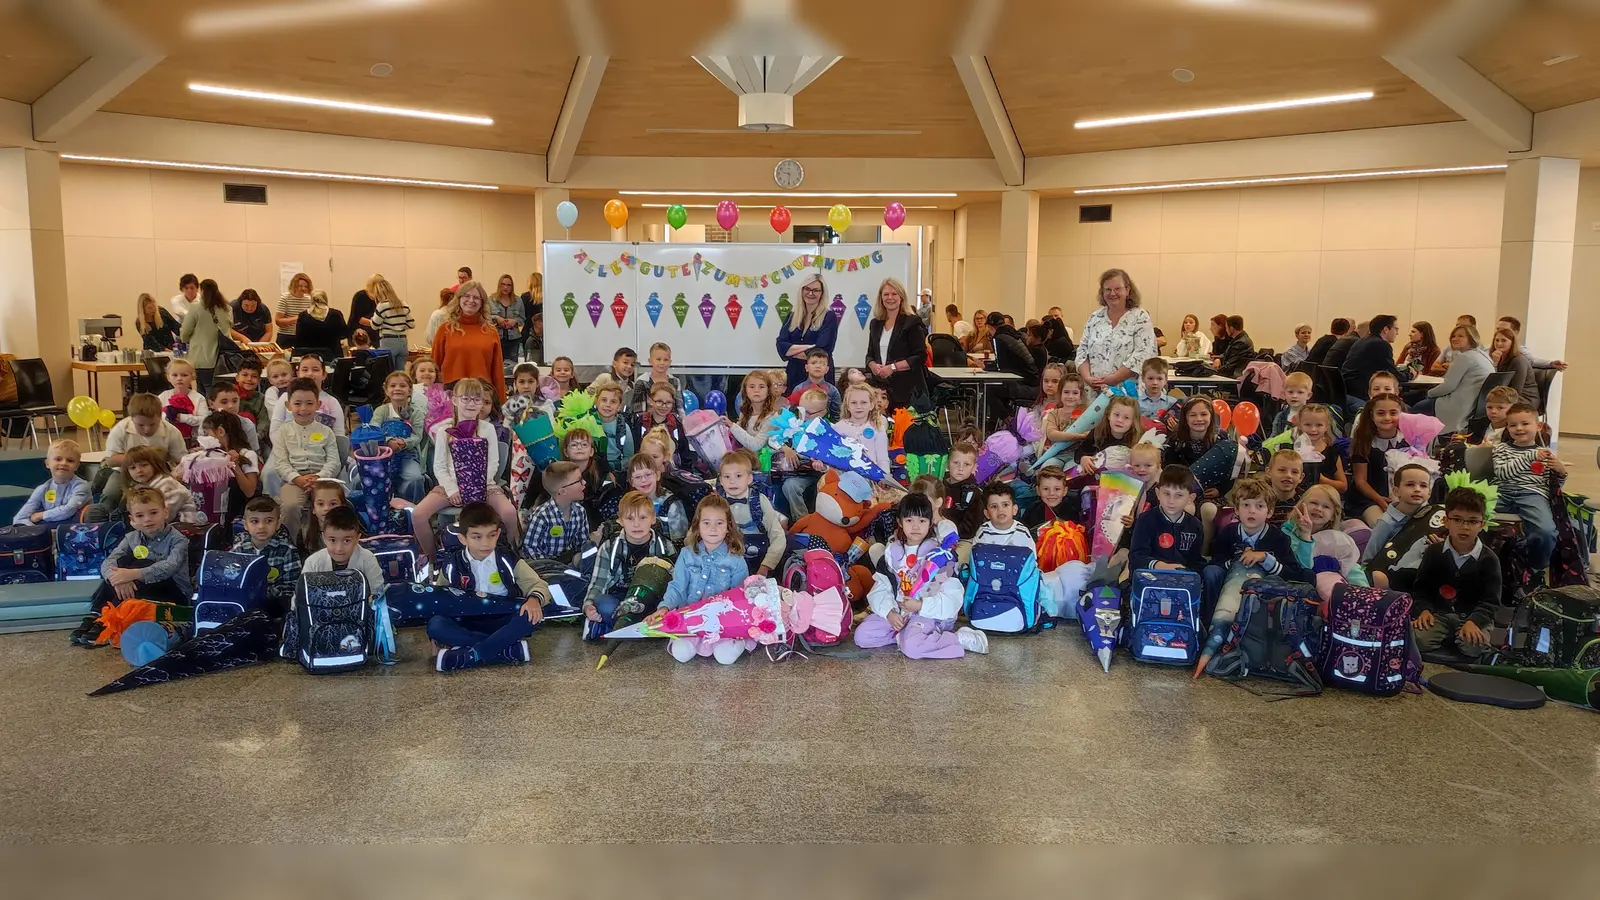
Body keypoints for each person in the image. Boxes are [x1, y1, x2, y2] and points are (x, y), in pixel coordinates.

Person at [857, 492, 989, 658]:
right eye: (909, 520)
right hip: (900, 612)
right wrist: (889, 613)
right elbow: (881, 587)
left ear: (931, 522)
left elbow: (953, 596)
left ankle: (958, 639)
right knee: (863, 636)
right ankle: (909, 635)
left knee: (913, 648)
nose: (915, 527)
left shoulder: (940, 556)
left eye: (922, 521)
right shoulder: (893, 553)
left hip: (929, 614)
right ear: (900, 522)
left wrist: (921, 606)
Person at [429, 502, 553, 672]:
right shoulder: (452, 563)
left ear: (498, 534)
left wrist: (534, 600)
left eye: (491, 535)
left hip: (502, 620)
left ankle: (471, 654)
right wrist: (435, 638)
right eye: (477, 537)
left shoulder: (507, 558)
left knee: (529, 617)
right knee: (436, 625)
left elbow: (538, 584)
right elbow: (440, 597)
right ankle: (505, 649)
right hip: (466, 621)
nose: (485, 543)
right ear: (463, 538)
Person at [70, 487, 192, 647]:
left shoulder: (178, 540)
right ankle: (98, 614)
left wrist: (133, 574)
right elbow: (108, 561)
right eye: (140, 515)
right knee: (120, 564)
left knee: (138, 564)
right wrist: (118, 579)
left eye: (153, 513)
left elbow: (169, 567)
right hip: (141, 589)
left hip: (174, 594)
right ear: (132, 520)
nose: (147, 519)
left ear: (165, 512)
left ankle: (110, 621)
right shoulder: (131, 538)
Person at [1389, 487, 1501, 659]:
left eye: (1472, 521)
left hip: (1471, 615)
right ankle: (1446, 635)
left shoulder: (1489, 559)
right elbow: (1422, 589)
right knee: (1416, 639)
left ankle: (1459, 634)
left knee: (1474, 647)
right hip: (1439, 613)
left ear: (1482, 525)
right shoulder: (1433, 552)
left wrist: (1474, 621)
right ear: (1446, 521)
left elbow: (1491, 601)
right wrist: (1424, 610)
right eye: (1457, 519)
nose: (1465, 527)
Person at [1201, 477, 1306, 657]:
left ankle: (1257, 633)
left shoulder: (1278, 538)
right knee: (1210, 572)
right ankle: (1207, 622)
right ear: (1236, 510)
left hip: (1261, 591)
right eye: (1246, 505)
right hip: (1230, 585)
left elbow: (1293, 572)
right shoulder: (1228, 533)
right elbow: (1217, 560)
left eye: (1259, 506)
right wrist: (1238, 561)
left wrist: (1265, 558)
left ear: (1269, 512)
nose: (1252, 511)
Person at [648, 494, 752, 665]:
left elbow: (739, 598)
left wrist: (737, 627)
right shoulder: (686, 555)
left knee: (725, 658)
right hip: (690, 620)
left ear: (728, 527)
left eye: (719, 523)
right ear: (697, 526)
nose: (713, 528)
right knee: (681, 654)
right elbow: (677, 587)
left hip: (722, 623)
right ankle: (697, 641)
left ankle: (740, 641)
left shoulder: (736, 560)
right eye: (706, 523)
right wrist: (665, 607)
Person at [582, 489, 676, 640]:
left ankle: (612, 628)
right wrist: (588, 606)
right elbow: (598, 583)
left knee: (665, 612)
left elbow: (674, 584)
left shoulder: (665, 546)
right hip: (620, 598)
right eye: (630, 518)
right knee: (603, 603)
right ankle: (637, 629)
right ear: (620, 521)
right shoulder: (609, 547)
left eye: (643, 517)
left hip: (650, 598)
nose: (636, 524)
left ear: (653, 519)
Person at [1493, 402, 1566, 575]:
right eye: (1513, 425)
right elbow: (1502, 473)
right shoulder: (1501, 448)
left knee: (1546, 532)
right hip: (1502, 492)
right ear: (1507, 428)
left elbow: (1552, 487)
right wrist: (1530, 456)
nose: (1519, 428)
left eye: (1525, 423)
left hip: (1533, 495)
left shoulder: (1545, 453)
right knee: (1471, 514)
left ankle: (1534, 568)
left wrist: (1561, 472)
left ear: (1538, 426)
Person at [271, 377, 343, 537]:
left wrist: (319, 477)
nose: (303, 409)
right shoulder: (282, 432)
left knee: (330, 504)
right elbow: (281, 463)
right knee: (290, 506)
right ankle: (290, 543)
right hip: (294, 481)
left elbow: (334, 461)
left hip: (323, 480)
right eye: (297, 403)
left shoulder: (326, 431)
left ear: (318, 404)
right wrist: (297, 478)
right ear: (288, 405)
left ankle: (329, 540)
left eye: (309, 403)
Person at [1076, 268, 1157, 391]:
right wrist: (1087, 378)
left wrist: (1114, 379)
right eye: (1108, 289)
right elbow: (1082, 351)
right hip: (1094, 391)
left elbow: (1143, 354)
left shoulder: (1140, 317)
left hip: (1127, 392)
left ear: (1127, 290)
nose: (1112, 293)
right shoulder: (1094, 318)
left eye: (1117, 289)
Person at [431, 280, 506, 400]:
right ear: (459, 299)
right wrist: (433, 397)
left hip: (480, 395)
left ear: (482, 303)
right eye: (466, 296)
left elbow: (497, 371)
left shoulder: (491, 331)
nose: (471, 300)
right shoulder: (445, 329)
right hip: (451, 394)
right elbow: (434, 365)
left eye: (476, 297)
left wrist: (501, 402)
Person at [717, 449, 785, 577]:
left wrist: (766, 565)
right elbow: (697, 533)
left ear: (749, 478)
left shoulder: (760, 501)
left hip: (760, 561)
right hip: (726, 564)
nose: (732, 481)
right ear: (720, 480)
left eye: (738, 476)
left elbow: (778, 536)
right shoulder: (716, 504)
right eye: (727, 477)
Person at [230, 495, 301, 615]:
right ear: (245, 525)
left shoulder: (287, 550)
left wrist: (262, 593)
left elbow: (292, 586)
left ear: (278, 523)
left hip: (274, 607)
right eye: (254, 521)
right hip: (243, 604)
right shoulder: (238, 549)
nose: (261, 526)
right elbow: (231, 578)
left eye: (268, 521)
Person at [865, 277, 928, 410]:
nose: (890, 298)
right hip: (880, 391)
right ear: (881, 298)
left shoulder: (912, 322)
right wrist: (873, 365)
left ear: (901, 297)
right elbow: (869, 355)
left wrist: (893, 367)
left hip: (906, 390)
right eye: (886, 294)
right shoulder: (875, 324)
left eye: (894, 294)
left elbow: (920, 356)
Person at [1360, 462, 1436, 570]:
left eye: (1423, 485)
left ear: (1429, 493)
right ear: (1396, 491)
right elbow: (1368, 560)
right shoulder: (1386, 523)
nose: (1417, 489)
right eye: (1410, 484)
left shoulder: (1431, 516)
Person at [1415, 323, 1491, 431]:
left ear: (1471, 338)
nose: (1455, 339)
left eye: (1461, 336)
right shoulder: (1483, 356)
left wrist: (1428, 393)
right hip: (1473, 406)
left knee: (1416, 408)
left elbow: (1448, 386)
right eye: (1453, 336)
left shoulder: (1465, 357)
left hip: (1457, 406)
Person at [366, 370, 427, 503]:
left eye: (402, 386)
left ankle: (413, 509)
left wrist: (403, 443)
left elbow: (417, 436)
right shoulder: (382, 410)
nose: (397, 388)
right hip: (382, 454)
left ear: (410, 391)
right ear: (386, 390)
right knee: (362, 479)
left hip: (407, 454)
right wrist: (388, 441)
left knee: (415, 478)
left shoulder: (416, 413)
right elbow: (374, 430)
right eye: (393, 386)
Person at [300, 506, 385, 601]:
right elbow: (301, 599)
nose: (339, 549)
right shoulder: (313, 562)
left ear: (357, 538)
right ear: (324, 538)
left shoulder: (367, 559)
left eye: (346, 541)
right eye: (332, 540)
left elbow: (378, 595)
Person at [1128, 465, 1204, 572]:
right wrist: (1159, 566)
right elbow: (1136, 558)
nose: (1171, 501)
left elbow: (1196, 562)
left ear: (1190, 499)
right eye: (1166, 494)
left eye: (1179, 495)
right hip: (1150, 576)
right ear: (1158, 494)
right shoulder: (1145, 520)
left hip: (1182, 578)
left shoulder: (1195, 525)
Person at [1346, 394, 1404, 525]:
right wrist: (1379, 499)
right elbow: (1361, 481)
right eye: (1381, 413)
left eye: (1393, 413)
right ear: (1372, 415)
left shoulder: (1410, 440)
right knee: (1382, 524)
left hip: (1403, 497)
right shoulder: (1364, 442)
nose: (1387, 418)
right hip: (1371, 498)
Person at [775, 272, 840, 389]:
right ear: (802, 290)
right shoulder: (792, 316)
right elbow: (781, 346)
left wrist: (792, 352)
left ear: (822, 293)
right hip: (794, 374)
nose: (810, 293)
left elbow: (823, 350)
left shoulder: (829, 317)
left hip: (819, 378)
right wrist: (810, 347)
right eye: (807, 289)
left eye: (816, 290)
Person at [522, 461, 589, 564]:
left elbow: (582, 544)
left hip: (567, 562)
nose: (584, 482)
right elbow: (530, 547)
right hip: (544, 565)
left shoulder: (580, 512)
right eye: (579, 480)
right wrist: (549, 566)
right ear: (562, 491)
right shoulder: (542, 516)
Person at [13, 439, 89, 525]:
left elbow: (68, 510)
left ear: (77, 466)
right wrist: (33, 529)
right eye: (58, 459)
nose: (64, 463)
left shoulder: (81, 486)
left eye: (70, 460)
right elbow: (20, 518)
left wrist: (41, 515)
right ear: (47, 463)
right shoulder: (43, 489)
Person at [178, 278, 234, 394]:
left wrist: (187, 339)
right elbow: (229, 329)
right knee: (219, 393)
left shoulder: (195, 308)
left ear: (202, 291)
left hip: (201, 359)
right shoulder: (227, 309)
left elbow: (184, 334)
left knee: (203, 394)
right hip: (223, 360)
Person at [983, 311, 1040, 422]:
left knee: (990, 390)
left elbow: (1000, 367)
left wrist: (985, 366)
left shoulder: (998, 338)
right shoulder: (1015, 334)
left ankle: (1009, 421)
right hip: (1033, 382)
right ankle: (1005, 421)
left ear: (990, 327)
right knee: (998, 389)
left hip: (1023, 384)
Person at [1339, 314, 1402, 413]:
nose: (1397, 333)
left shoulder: (1362, 341)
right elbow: (1392, 374)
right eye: (1396, 329)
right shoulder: (1381, 344)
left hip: (1348, 390)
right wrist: (1410, 374)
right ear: (1386, 329)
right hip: (1362, 393)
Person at [728, 370, 781, 453]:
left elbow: (756, 446)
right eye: (752, 387)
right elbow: (740, 434)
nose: (756, 390)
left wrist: (732, 426)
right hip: (747, 455)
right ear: (745, 391)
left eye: (761, 387)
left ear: (768, 391)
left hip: (764, 459)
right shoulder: (745, 413)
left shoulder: (772, 417)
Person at [627, 342, 685, 416]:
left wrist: (682, 421)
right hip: (648, 421)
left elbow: (680, 409)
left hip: (671, 421)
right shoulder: (642, 381)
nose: (662, 363)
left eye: (666, 360)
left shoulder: (675, 382)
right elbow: (638, 412)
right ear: (650, 361)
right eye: (658, 359)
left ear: (670, 362)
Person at [973, 482, 1034, 550]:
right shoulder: (983, 532)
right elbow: (976, 554)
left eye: (1005, 505)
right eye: (994, 506)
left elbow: (1031, 555)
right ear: (987, 513)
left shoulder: (1023, 533)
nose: (1000, 510)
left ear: (1014, 509)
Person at [159, 358, 209, 439]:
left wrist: (181, 417)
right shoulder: (163, 396)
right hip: (168, 438)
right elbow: (157, 418)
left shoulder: (199, 398)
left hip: (192, 439)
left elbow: (204, 420)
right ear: (168, 377)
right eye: (175, 375)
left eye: (184, 375)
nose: (179, 378)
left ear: (192, 377)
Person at [1489, 327, 1539, 408]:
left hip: (1524, 398)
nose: (1499, 344)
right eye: (1497, 340)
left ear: (1512, 343)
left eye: (1504, 340)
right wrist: (1494, 363)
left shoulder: (1518, 361)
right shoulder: (1497, 358)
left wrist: (1495, 365)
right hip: (1505, 394)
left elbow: (1515, 390)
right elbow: (1494, 383)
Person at [786, 348, 842, 419]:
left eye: (822, 364)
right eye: (813, 363)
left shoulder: (833, 391)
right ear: (806, 367)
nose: (818, 366)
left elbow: (836, 415)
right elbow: (792, 412)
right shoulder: (798, 389)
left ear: (827, 369)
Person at [1496, 315, 1568, 371]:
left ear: (1516, 333)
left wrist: (1551, 364)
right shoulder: (1492, 348)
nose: (1499, 332)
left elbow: (1533, 361)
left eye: (1505, 330)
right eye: (1498, 329)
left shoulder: (1520, 351)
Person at [294, 291, 347, 360]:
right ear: (325, 299)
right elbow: (344, 334)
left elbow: (298, 339)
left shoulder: (303, 316)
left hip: (310, 357)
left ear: (311, 300)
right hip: (332, 355)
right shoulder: (336, 314)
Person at [487, 274, 525, 365]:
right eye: (503, 284)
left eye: (508, 285)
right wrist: (496, 318)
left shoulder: (518, 300)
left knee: (514, 365)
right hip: (496, 338)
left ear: (512, 287)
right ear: (499, 285)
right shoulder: (491, 300)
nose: (505, 287)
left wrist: (514, 321)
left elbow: (522, 318)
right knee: (496, 364)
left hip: (514, 340)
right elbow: (485, 317)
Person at [208, 382, 259, 452]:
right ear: (211, 404)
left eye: (235, 401)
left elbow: (254, 452)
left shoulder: (247, 425)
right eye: (224, 402)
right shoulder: (207, 424)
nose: (231, 406)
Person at [370, 276, 412, 357]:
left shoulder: (382, 306)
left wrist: (373, 320)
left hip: (388, 341)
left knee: (388, 365)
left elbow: (374, 326)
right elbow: (411, 324)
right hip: (403, 340)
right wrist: (399, 325)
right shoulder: (403, 304)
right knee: (401, 365)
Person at [275, 272, 314, 351]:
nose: (303, 289)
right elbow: (278, 321)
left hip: (302, 336)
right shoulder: (285, 299)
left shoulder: (309, 300)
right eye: (300, 286)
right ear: (294, 286)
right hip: (286, 336)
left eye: (306, 286)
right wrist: (299, 317)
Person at [1271, 371, 1314, 436]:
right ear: (1284, 394)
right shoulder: (1280, 417)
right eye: (1290, 392)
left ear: (1308, 395)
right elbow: (1273, 437)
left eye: (1300, 392)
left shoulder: (1314, 415)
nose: (1294, 396)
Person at [345, 275, 381, 349]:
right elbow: (358, 318)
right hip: (359, 334)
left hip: (375, 334)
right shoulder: (360, 296)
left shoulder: (380, 297)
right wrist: (375, 323)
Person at [519, 272, 543, 362]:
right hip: (544, 332)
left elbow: (522, 315)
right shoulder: (547, 296)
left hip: (528, 332)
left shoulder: (525, 297)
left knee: (529, 359)